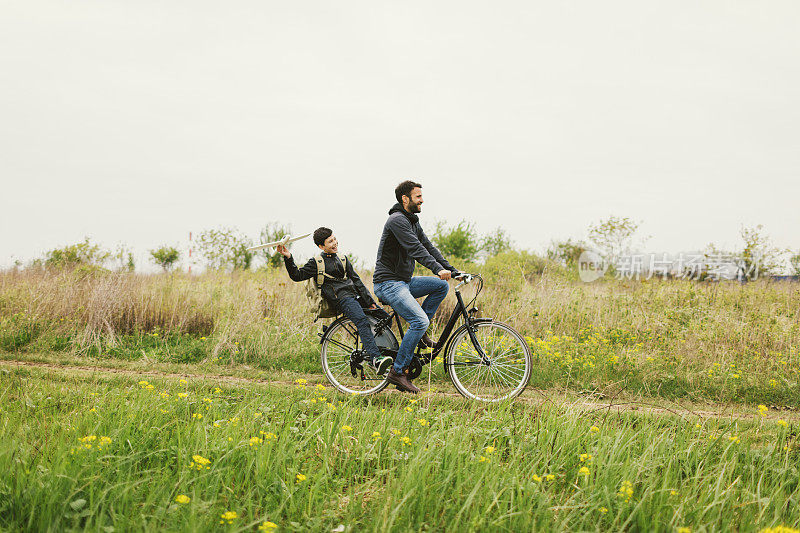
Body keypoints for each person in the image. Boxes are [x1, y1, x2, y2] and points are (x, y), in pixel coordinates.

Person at [373, 180, 459, 393]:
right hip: (388, 283)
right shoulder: (396, 220)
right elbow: (416, 249)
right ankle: (398, 371)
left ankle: (419, 334)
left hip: (403, 282)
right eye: (418, 196)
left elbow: (428, 246)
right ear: (405, 199)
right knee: (419, 320)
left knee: (441, 287)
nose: (422, 200)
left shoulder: (411, 221)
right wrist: (436, 269)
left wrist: (451, 269)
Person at [277, 227, 393, 376]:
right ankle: (375, 359)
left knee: (385, 318)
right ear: (321, 246)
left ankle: (376, 350)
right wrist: (288, 257)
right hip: (341, 299)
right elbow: (297, 275)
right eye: (330, 241)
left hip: (355, 296)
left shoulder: (343, 259)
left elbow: (357, 282)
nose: (335, 243)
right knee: (362, 321)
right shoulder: (316, 262)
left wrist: (370, 302)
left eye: (334, 239)